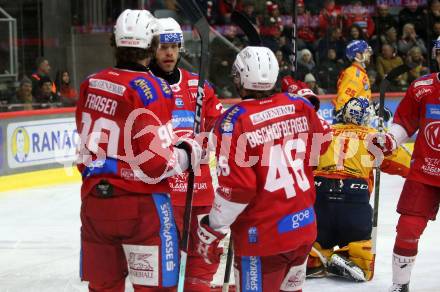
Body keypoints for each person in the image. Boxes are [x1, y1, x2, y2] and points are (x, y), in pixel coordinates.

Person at [75, 9, 201, 292]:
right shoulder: (153, 88)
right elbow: (156, 163)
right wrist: (187, 154)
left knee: (104, 286)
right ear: (153, 46)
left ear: (115, 43)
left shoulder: (90, 83)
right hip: (140, 206)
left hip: (95, 203)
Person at [195, 46, 332, 292]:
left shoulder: (233, 121)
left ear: (238, 78)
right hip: (304, 229)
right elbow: (324, 142)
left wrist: (213, 226)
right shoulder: (298, 105)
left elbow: (238, 190)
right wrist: (305, 100)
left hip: (263, 239)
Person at [149, 17, 224, 292]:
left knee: (202, 266)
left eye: (173, 46)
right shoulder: (143, 87)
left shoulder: (199, 86)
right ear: (151, 48)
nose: (168, 53)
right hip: (161, 196)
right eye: (162, 46)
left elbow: (219, 127)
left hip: (200, 192)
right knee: (161, 271)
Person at [308, 97, 411, 282]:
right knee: (363, 260)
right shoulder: (374, 137)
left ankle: (314, 255)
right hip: (354, 201)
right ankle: (350, 256)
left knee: (316, 239)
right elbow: (405, 163)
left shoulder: (324, 132)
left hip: (319, 200)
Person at [372, 36, 440, 292]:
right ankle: (400, 285)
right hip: (424, 172)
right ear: (435, 55)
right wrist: (391, 139)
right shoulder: (422, 87)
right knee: (407, 229)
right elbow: (404, 123)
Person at [335, 40, 372, 116]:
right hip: (350, 124)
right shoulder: (354, 74)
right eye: (366, 51)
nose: (369, 54)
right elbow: (343, 103)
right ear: (358, 55)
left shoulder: (360, 72)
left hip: (357, 121)